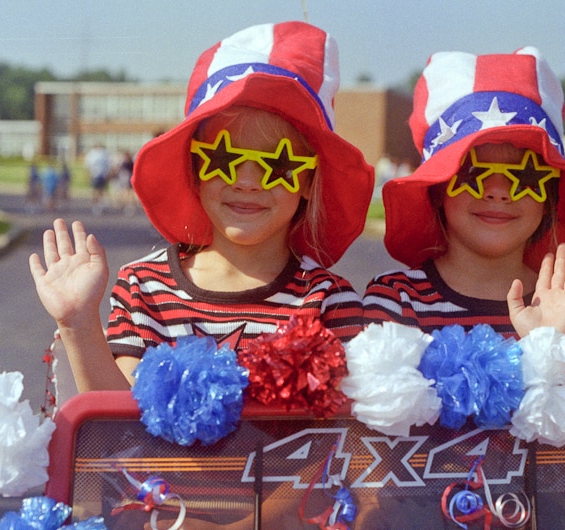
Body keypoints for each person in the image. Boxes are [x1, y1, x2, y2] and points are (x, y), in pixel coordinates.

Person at [29, 21, 374, 393]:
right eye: (223, 159)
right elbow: (118, 426)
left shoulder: (328, 301)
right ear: (193, 171)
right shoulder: (144, 287)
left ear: (308, 181)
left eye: (278, 165)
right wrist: (78, 323)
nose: (247, 182)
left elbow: (344, 435)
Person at [363, 47, 565, 346]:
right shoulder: (397, 301)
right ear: (438, 189)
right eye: (472, 173)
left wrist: (551, 342)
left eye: (524, 176)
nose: (497, 192)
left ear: (550, 195)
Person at [84, 143, 110, 215]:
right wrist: (88, 175)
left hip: (102, 175)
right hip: (94, 175)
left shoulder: (104, 154)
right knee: (95, 191)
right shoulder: (91, 154)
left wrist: (107, 174)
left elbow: (107, 165)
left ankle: (100, 205)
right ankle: (95, 206)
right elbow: (87, 165)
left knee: (101, 191)